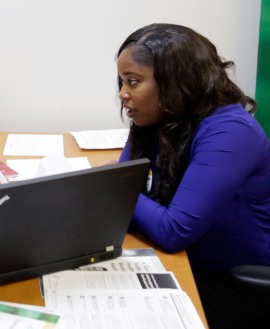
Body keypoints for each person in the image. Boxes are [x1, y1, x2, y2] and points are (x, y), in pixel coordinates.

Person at [116, 23, 270, 328]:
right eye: (122, 81)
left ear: (176, 82)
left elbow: (173, 231)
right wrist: (116, 184)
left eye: (133, 82)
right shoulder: (162, 118)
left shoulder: (230, 132)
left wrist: (114, 184)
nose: (123, 94)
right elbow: (123, 180)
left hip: (235, 280)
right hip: (190, 260)